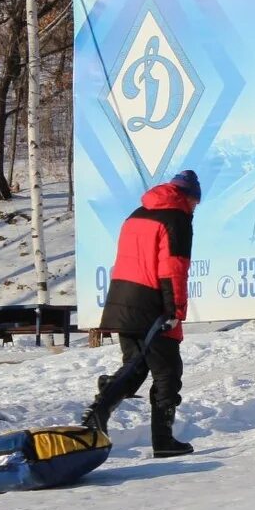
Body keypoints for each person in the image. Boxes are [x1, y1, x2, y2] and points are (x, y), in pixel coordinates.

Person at [81, 169, 201, 457]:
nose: (196, 208)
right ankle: (163, 440)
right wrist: (175, 310)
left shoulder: (137, 213)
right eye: (196, 202)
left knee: (135, 368)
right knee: (167, 373)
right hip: (153, 301)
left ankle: (102, 406)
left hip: (123, 298)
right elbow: (173, 268)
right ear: (189, 197)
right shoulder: (177, 218)